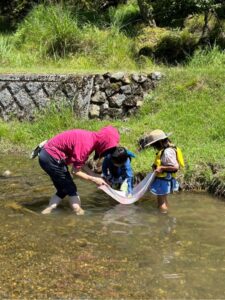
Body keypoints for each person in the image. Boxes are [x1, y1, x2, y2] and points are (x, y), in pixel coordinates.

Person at [37, 126, 119, 215]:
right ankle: (79, 213)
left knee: (63, 189)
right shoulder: (86, 145)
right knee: (72, 189)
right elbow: (75, 171)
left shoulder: (90, 138)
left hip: (46, 156)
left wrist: (95, 175)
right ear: (104, 144)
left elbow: (80, 163)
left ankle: (47, 211)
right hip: (51, 158)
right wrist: (94, 179)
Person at [138, 129, 184, 213]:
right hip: (166, 180)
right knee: (164, 199)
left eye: (154, 145)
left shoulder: (167, 152)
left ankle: (163, 218)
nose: (154, 147)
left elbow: (175, 167)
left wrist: (162, 168)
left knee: (161, 202)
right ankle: (166, 214)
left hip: (164, 180)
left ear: (159, 142)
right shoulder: (169, 149)